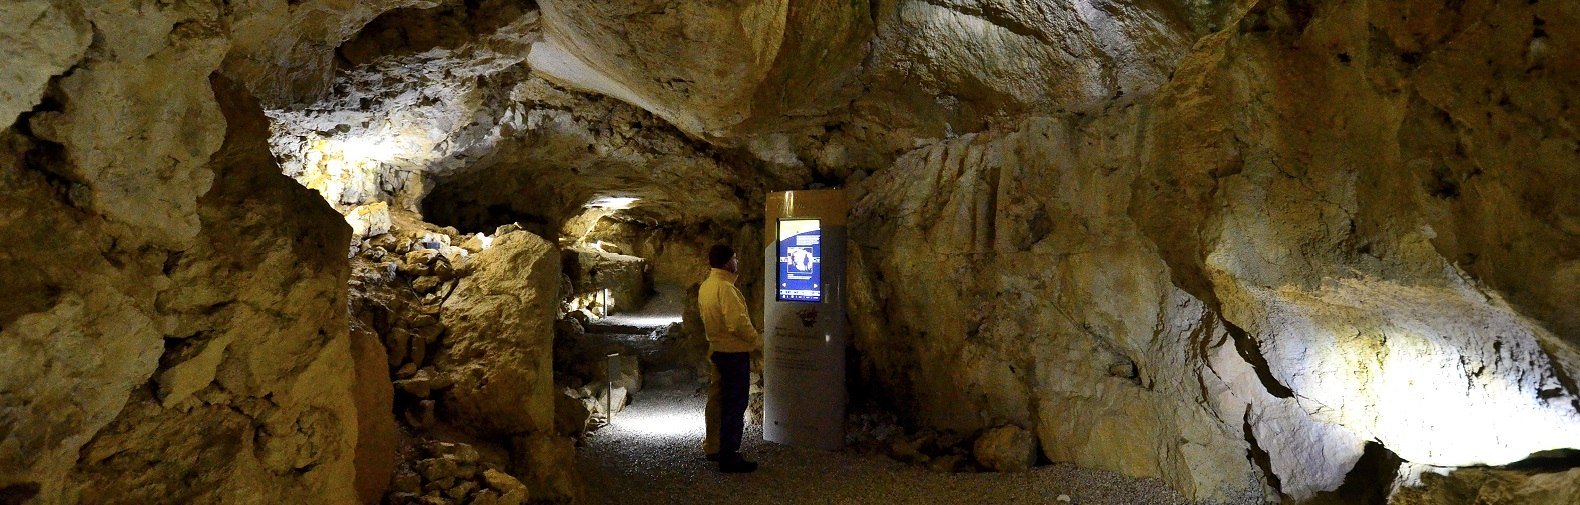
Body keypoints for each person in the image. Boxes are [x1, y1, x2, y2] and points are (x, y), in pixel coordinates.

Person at [697, 244, 761, 473]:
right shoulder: (726, 289)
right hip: (733, 353)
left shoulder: (706, 286)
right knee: (735, 403)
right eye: (735, 258)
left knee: (716, 401)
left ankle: (713, 446)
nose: (737, 262)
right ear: (727, 263)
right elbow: (737, 323)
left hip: (716, 350)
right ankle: (729, 455)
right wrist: (756, 340)